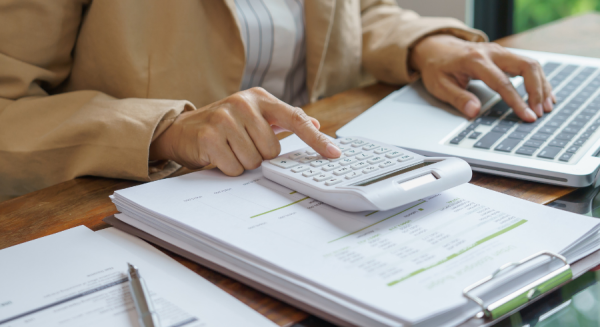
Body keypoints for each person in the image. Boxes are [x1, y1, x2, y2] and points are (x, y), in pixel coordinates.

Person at [0, 0, 554, 202]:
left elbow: (354, 13)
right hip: (154, 200)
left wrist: (425, 44)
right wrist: (167, 130)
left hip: (320, 183)